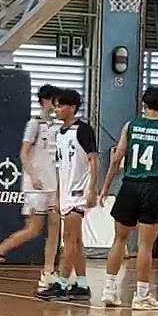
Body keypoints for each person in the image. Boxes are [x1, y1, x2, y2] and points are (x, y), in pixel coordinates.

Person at [98, 86, 158, 310]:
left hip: (129, 185)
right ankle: (142, 295)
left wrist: (105, 187)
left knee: (119, 240)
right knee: (145, 245)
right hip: (151, 187)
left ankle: (110, 289)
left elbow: (116, 159)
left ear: (143, 104)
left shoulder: (130, 126)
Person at [0, 84, 62, 290]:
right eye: (54, 101)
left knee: (55, 227)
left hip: (53, 184)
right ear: (46, 100)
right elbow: (23, 153)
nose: (57, 105)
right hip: (35, 186)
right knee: (34, 229)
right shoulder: (34, 124)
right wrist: (33, 176)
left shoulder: (56, 126)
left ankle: (48, 271)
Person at [37, 88, 97, 302]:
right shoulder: (60, 133)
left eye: (61, 105)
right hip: (66, 192)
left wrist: (93, 190)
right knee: (77, 241)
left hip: (79, 192)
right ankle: (82, 284)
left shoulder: (84, 130)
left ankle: (62, 284)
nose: (57, 109)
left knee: (69, 239)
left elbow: (93, 161)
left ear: (72, 107)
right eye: (56, 105)